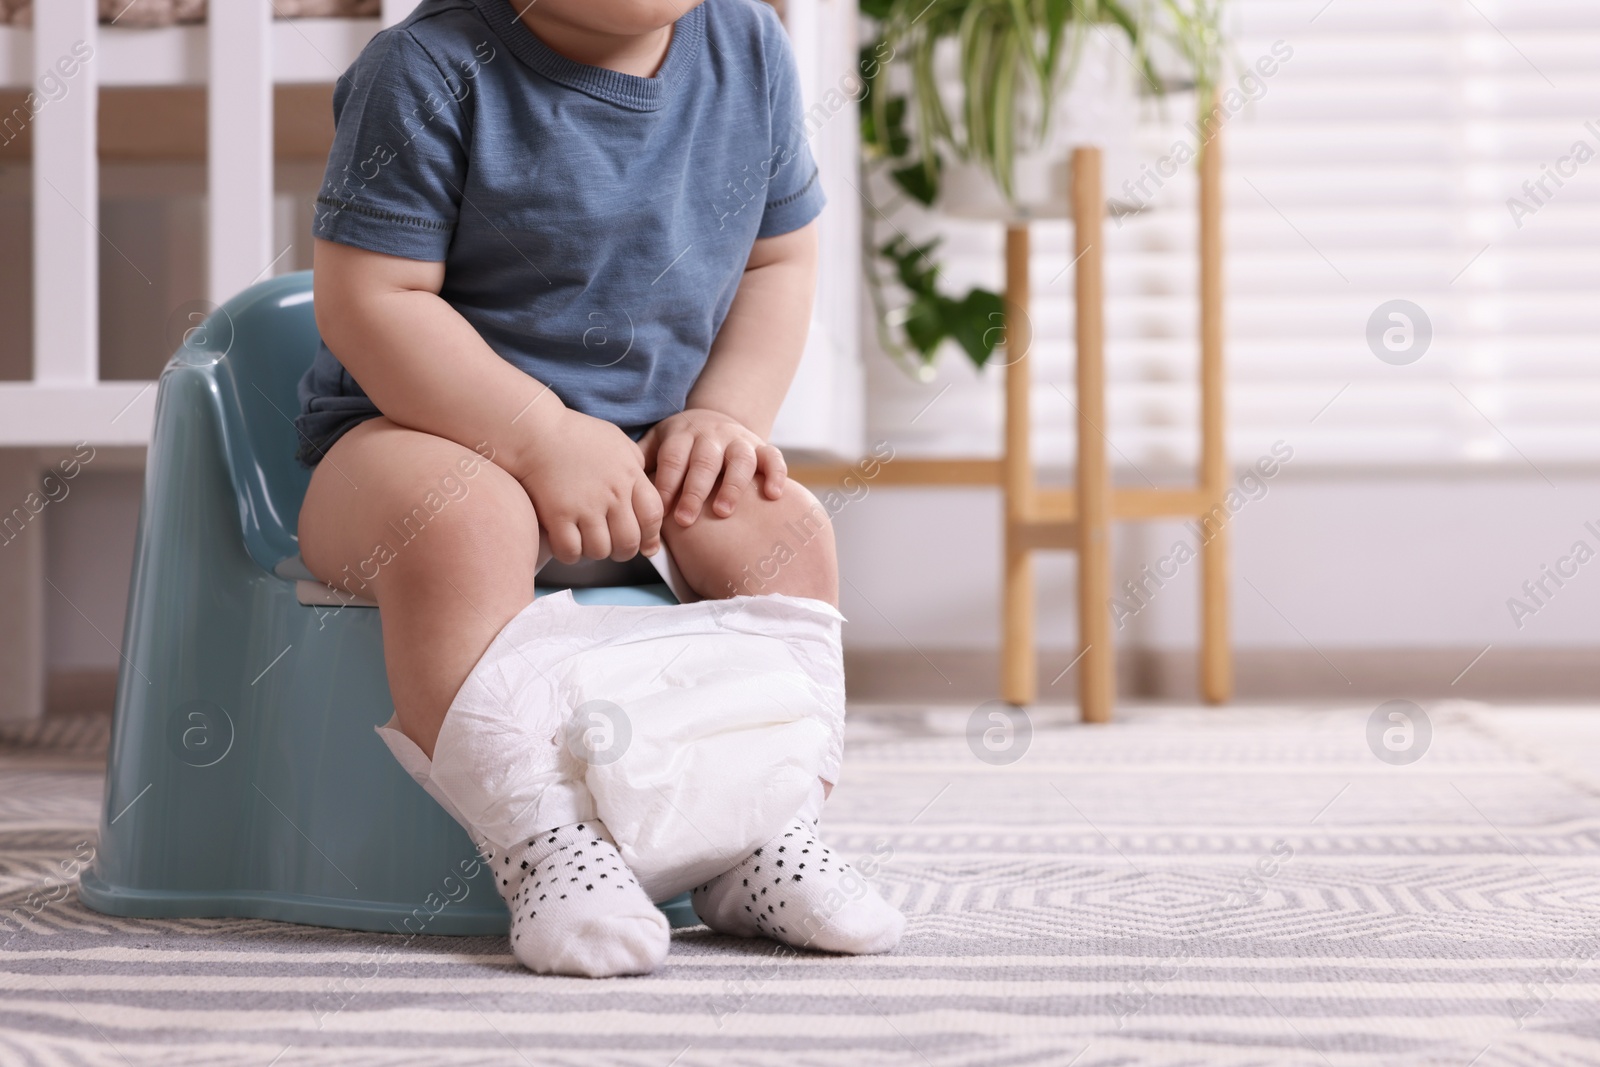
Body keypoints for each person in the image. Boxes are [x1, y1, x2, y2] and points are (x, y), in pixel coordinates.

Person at [293, 0, 904, 976]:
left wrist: (727, 417)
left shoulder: (750, 46)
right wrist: (535, 436)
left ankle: (763, 825)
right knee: (461, 514)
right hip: (418, 438)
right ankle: (540, 839)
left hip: (644, 459)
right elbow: (372, 300)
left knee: (780, 525)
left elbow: (776, 258)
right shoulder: (423, 69)